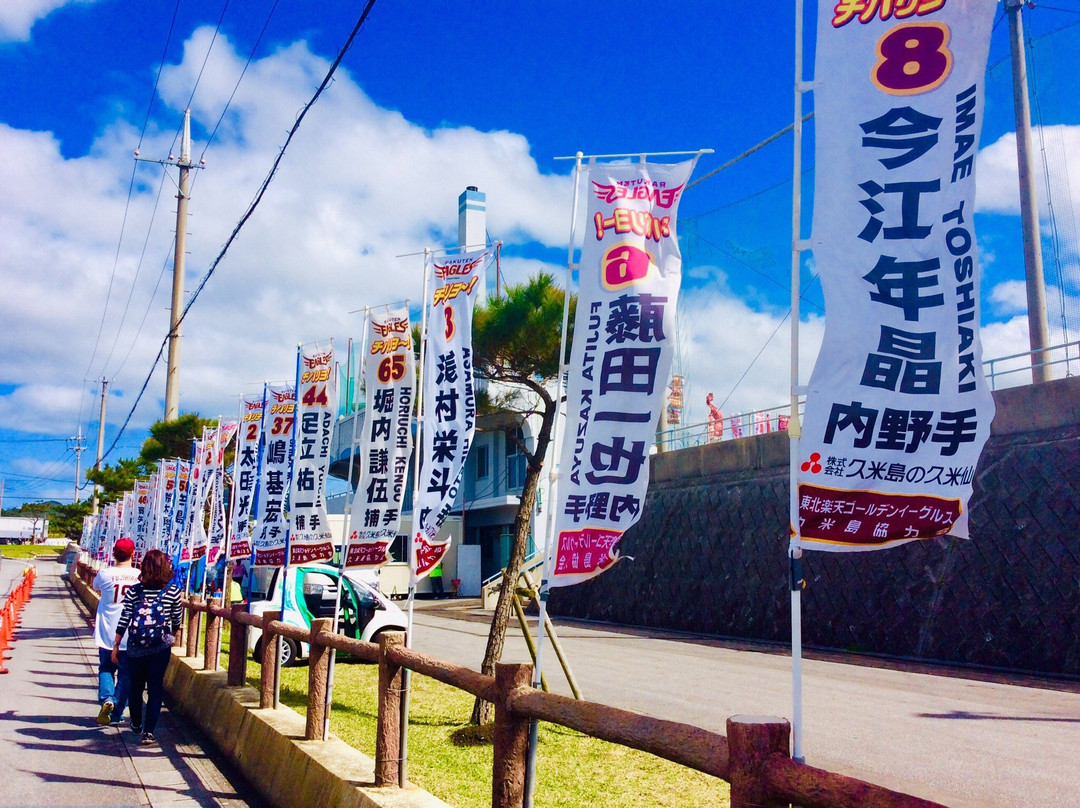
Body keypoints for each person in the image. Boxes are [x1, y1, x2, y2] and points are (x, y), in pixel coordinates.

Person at [112, 549, 183, 746]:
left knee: (136, 686)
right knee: (155, 687)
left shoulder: (134, 591)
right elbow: (177, 618)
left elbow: (124, 618)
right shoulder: (172, 591)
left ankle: (135, 723)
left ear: (144, 567)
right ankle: (149, 731)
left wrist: (117, 644)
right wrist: (172, 634)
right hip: (160, 647)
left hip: (136, 647)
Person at [91, 537, 139, 726]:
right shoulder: (139, 575)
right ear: (132, 553)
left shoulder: (104, 574)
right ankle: (117, 711)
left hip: (107, 630)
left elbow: (95, 587)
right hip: (130, 631)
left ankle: (107, 699)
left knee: (106, 667)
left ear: (114, 554)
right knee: (126, 673)